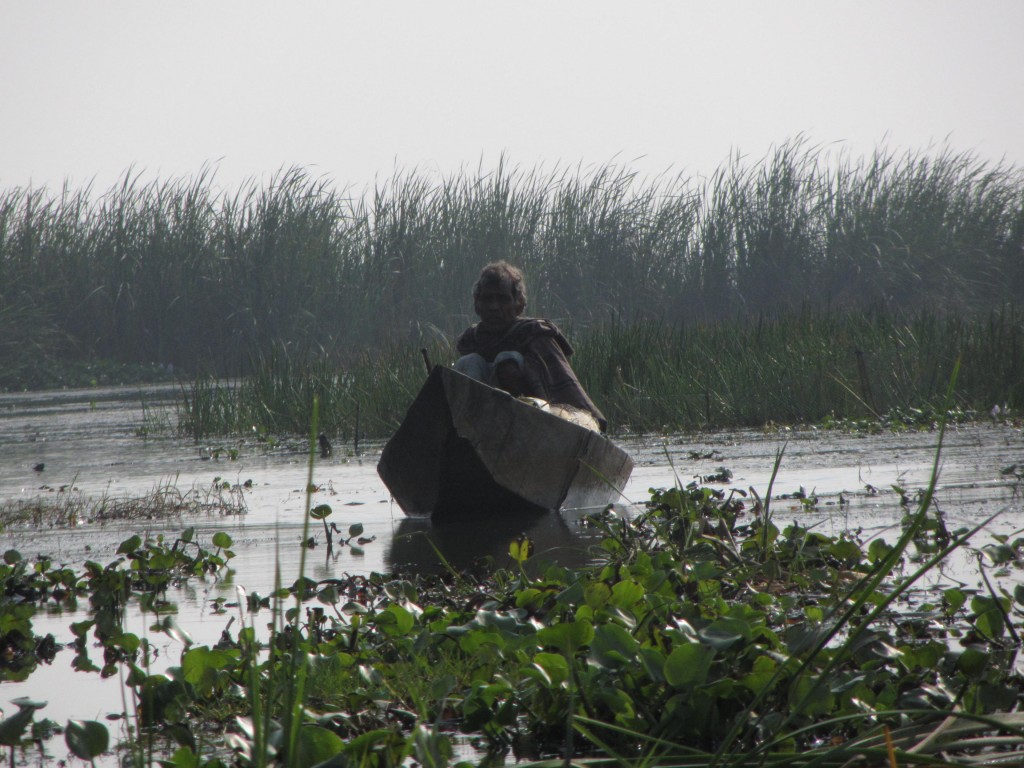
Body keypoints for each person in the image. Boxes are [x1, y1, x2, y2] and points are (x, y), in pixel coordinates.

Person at [454, 261, 607, 432]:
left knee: (507, 361)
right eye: (487, 299)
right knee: (469, 362)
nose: (494, 307)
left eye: (503, 299)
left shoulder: (534, 335)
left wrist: (591, 424)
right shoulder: (470, 341)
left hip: (532, 426)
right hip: (480, 425)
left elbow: (566, 388)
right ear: (477, 304)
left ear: (518, 305)